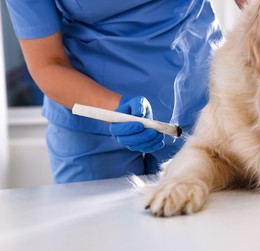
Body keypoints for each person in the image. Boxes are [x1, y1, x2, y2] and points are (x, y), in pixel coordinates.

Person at [5, 0, 245, 183]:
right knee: (96, 242)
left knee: (198, 235)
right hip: (92, 124)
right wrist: (115, 110)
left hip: (200, 108)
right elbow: (47, 63)